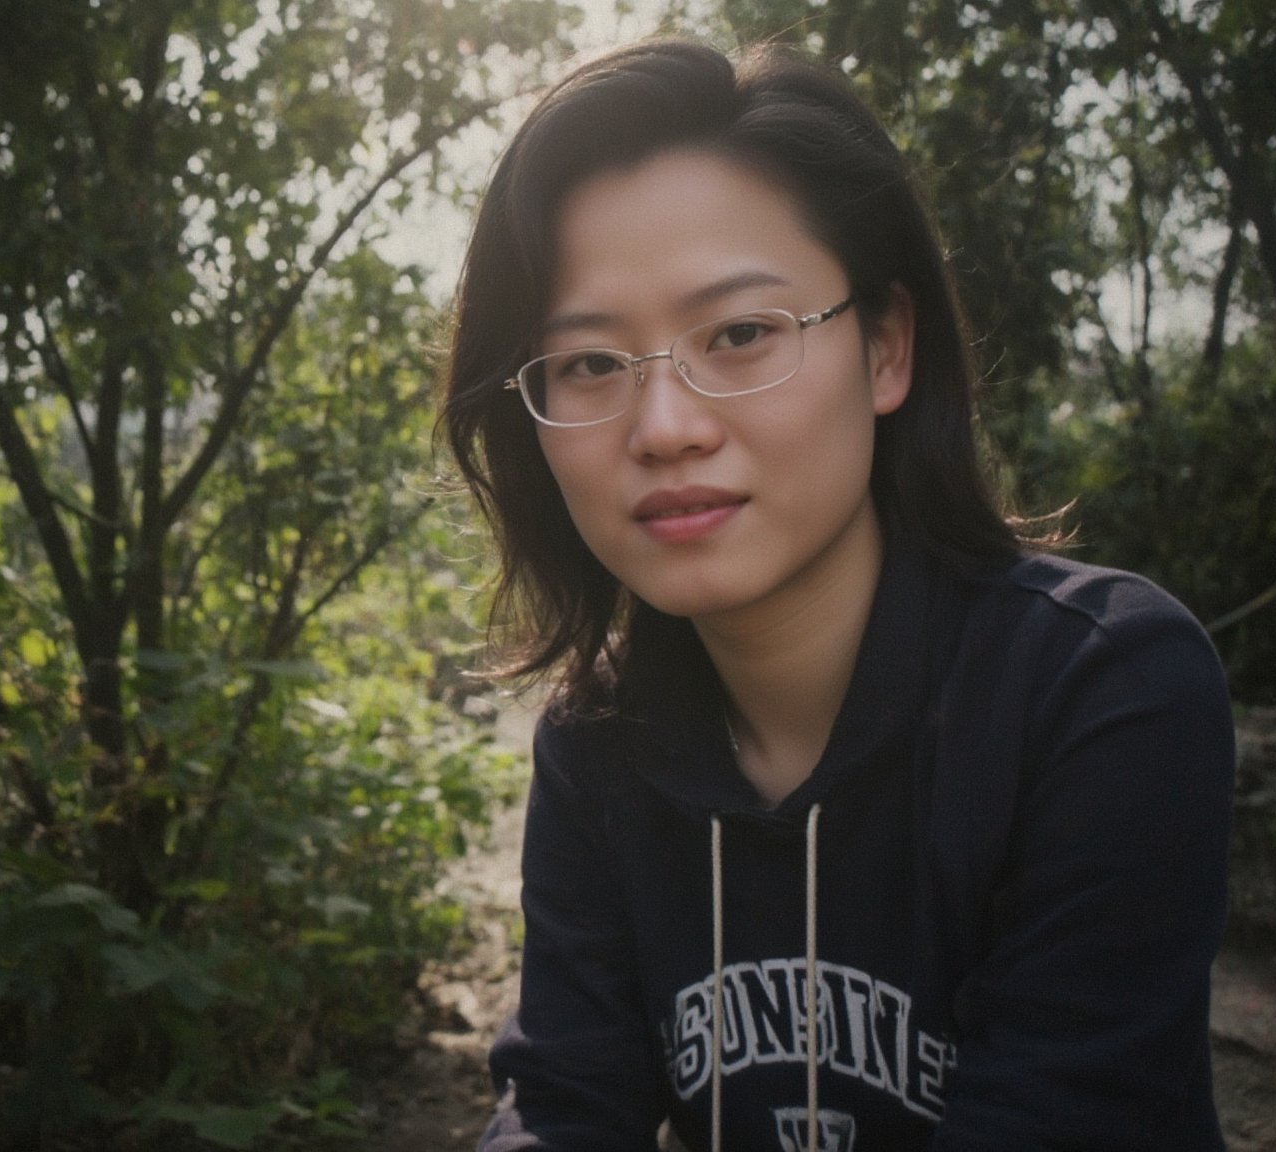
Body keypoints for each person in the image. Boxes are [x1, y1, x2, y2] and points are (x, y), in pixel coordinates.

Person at [438, 38, 1235, 1152]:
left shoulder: (1100, 690)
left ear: (888, 347)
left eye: (742, 334)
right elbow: (563, 1105)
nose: (664, 428)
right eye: (589, 363)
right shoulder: (599, 744)